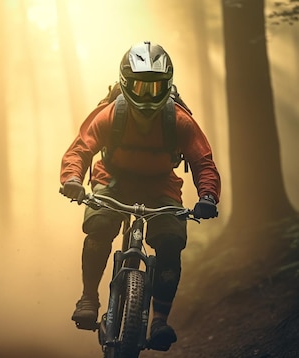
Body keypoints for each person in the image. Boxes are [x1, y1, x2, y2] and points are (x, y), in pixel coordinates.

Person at [59, 41, 221, 351]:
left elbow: (203, 161)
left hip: (161, 185)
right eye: (139, 87)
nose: (147, 96)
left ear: (167, 85)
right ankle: (89, 297)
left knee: (171, 242)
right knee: (99, 227)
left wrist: (208, 196)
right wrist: (72, 179)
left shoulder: (179, 120)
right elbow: (81, 148)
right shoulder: (111, 114)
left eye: (155, 87)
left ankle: (159, 319)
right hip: (114, 179)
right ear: (124, 83)